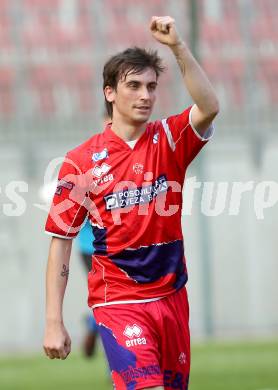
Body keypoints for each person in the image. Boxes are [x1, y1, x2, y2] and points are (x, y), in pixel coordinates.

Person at [43, 16, 219, 390]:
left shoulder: (170, 138)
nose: (145, 96)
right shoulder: (79, 161)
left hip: (172, 298)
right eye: (134, 86)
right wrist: (53, 320)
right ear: (109, 92)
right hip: (118, 302)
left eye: (152, 87)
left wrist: (177, 47)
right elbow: (60, 240)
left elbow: (209, 105)